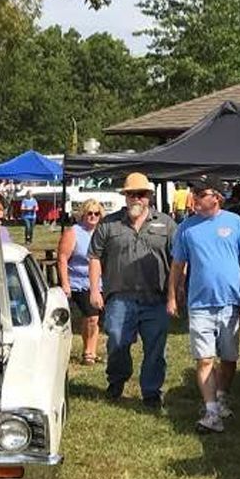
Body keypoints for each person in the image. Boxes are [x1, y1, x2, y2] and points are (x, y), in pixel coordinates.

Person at [167, 177, 240, 433]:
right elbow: (177, 265)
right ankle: (211, 413)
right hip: (199, 304)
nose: (194, 196)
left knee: (229, 359)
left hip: (231, 303)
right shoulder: (186, 228)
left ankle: (221, 397)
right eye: (194, 192)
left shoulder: (236, 224)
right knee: (205, 359)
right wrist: (172, 296)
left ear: (216, 197)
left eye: (200, 193)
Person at [88, 173, 176, 407]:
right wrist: (95, 290)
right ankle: (116, 380)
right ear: (124, 197)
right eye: (131, 194)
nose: (136, 198)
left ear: (149, 196)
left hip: (156, 297)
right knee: (116, 340)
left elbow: (178, 261)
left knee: (155, 348)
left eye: (141, 194)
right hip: (120, 296)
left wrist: (175, 293)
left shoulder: (166, 224)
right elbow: (95, 257)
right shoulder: (108, 224)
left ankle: (151, 391)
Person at [58, 199, 106, 365]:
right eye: (89, 213)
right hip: (79, 282)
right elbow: (63, 258)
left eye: (96, 213)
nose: (93, 216)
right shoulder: (73, 232)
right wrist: (65, 283)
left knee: (95, 318)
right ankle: (88, 353)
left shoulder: (103, 232)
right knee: (92, 316)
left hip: (101, 282)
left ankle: (91, 349)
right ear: (83, 215)